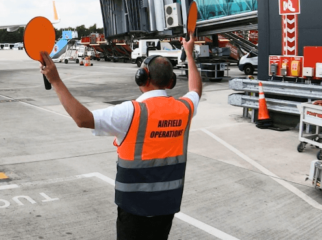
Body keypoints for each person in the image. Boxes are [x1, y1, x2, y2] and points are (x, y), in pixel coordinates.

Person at [40, 36, 202, 240]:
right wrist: (188, 52)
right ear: (171, 82)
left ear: (141, 77)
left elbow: (82, 119)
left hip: (134, 208)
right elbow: (195, 90)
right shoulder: (184, 108)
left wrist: (55, 80)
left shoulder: (131, 112)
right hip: (167, 204)